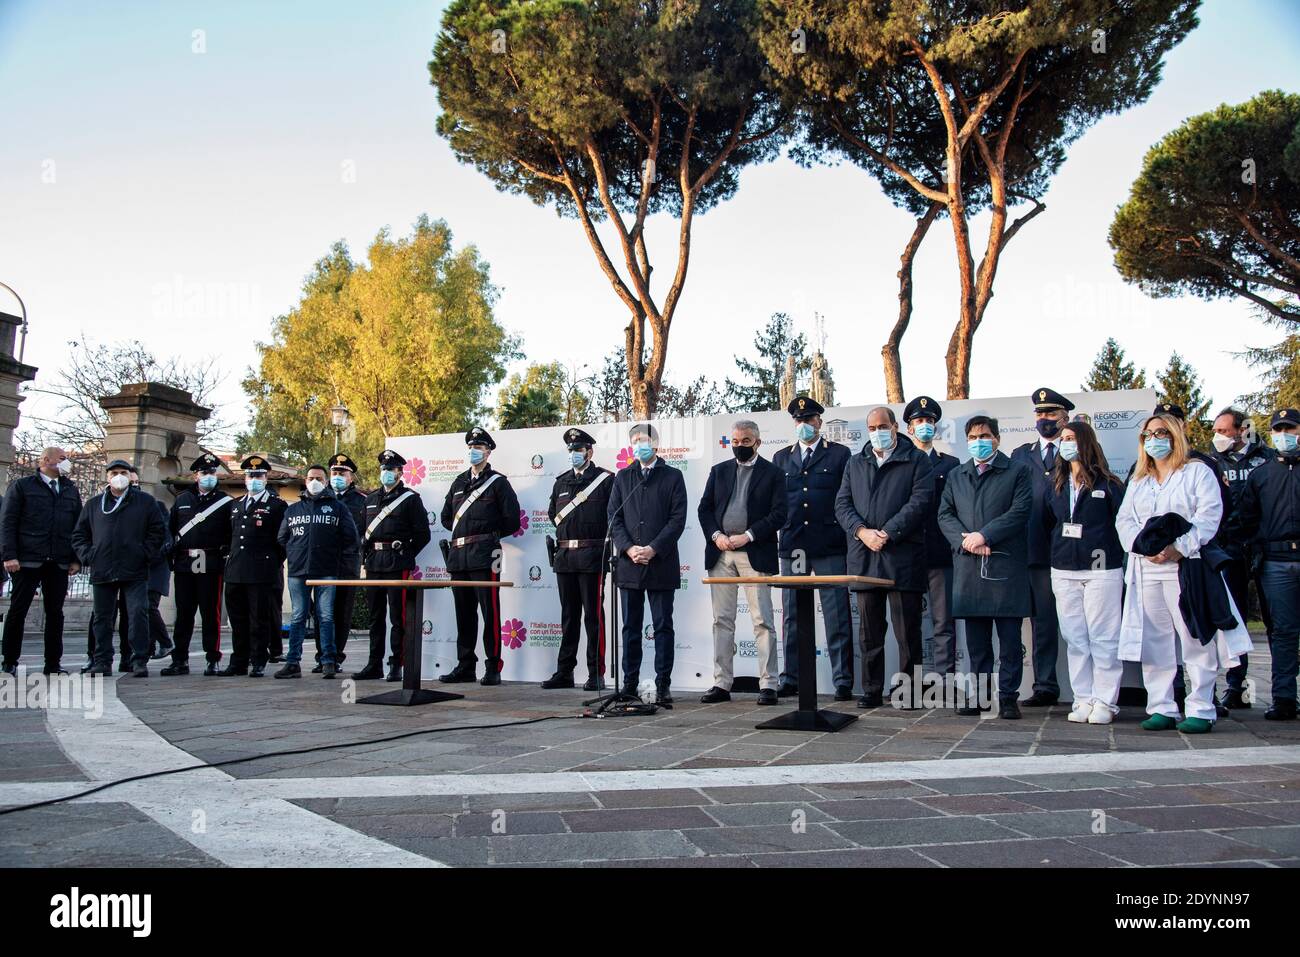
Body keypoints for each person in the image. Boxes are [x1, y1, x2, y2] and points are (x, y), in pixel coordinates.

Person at [1116, 413, 1249, 734]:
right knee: (1154, 641)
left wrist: (1179, 547)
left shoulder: (1196, 472)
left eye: (1161, 432)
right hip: (1147, 569)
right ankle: (1162, 706)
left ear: (1175, 435)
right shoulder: (1139, 479)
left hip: (1185, 568)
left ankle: (1201, 707)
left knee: (1194, 636)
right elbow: (1124, 521)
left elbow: (1209, 515)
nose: (1154, 439)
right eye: (1148, 434)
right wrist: (1143, 547)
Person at [835, 406, 933, 709]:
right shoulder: (855, 462)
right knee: (869, 633)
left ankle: (910, 691)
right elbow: (842, 504)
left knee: (908, 633)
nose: (878, 432)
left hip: (902, 556)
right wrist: (862, 532)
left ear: (895, 427)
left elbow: (920, 501)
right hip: (864, 557)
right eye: (873, 427)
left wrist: (888, 532)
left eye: (883, 426)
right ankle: (871, 690)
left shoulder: (917, 460)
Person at [938, 415, 1034, 720]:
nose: (979, 441)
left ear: (997, 438)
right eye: (974, 437)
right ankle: (979, 696)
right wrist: (966, 541)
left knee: (1008, 642)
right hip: (969, 567)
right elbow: (945, 514)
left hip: (1005, 565)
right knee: (977, 643)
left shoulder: (1017, 471)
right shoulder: (957, 475)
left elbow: (1019, 511)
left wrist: (985, 535)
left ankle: (1008, 697)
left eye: (985, 436)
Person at [1041, 421, 1126, 725]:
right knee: (1075, 638)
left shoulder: (1109, 484)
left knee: (1103, 638)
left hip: (1102, 568)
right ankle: (1082, 698)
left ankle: (1105, 701)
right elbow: (1046, 522)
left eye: (1071, 438)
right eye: (1063, 439)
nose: (1066, 444)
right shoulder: (1055, 483)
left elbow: (1122, 525)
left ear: (1086, 443)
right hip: (1064, 569)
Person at [771, 396, 854, 701]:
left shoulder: (840, 455)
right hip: (794, 545)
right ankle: (791, 677)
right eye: (799, 420)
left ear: (820, 421)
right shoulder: (781, 458)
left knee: (836, 614)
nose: (804, 425)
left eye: (809, 420)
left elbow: (847, 497)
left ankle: (843, 680)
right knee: (792, 614)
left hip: (830, 542)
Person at [698, 420, 786, 705]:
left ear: (758, 442)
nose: (739, 446)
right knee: (722, 620)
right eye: (735, 441)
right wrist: (716, 536)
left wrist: (748, 536)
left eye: (745, 441)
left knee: (762, 620)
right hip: (720, 552)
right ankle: (722, 684)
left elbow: (779, 513)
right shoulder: (719, 471)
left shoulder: (773, 473)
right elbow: (705, 508)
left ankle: (769, 684)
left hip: (755, 552)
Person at [607, 423, 687, 706]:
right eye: (635, 440)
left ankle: (663, 683)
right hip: (629, 565)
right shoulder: (623, 477)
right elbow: (614, 518)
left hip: (660, 563)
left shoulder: (673, 476)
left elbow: (677, 520)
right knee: (630, 626)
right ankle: (629, 683)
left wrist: (653, 549)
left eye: (644, 439)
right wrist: (629, 548)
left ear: (655, 444)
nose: (639, 444)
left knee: (663, 625)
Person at [1228, 408, 1300, 721]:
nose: (1285, 434)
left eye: (1291, 429)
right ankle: (1283, 698)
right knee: (1283, 632)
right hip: (1275, 562)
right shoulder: (1262, 475)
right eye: (1279, 429)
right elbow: (1245, 520)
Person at [437, 430, 519, 685]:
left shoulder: (498, 483)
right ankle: (465, 665)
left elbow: (512, 520)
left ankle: (493, 666)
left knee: (490, 610)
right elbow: (446, 517)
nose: (474, 449)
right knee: (464, 612)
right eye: (471, 445)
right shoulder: (459, 482)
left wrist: (487, 535)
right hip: (459, 555)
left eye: (479, 446)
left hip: (487, 553)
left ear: (488, 451)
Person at [1008, 387, 1073, 708]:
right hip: (1028, 550)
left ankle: (1077, 686)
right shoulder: (1021, 455)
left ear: (1065, 418)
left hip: (1067, 552)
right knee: (1038, 623)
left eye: (1051, 414)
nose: (1044, 419)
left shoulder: (1077, 451)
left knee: (1069, 623)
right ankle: (1043, 685)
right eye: (1040, 414)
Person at [72, 460, 166, 677]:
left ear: (130, 475)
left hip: (134, 569)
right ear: (107, 476)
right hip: (102, 568)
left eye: (123, 472)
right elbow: (79, 534)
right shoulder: (95, 504)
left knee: (137, 614)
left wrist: (145, 553)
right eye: (114, 472)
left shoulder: (145, 502)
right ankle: (102, 660)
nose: (119, 476)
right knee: (102, 617)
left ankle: (138, 659)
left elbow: (157, 531)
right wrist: (89, 555)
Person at [1210, 407, 1272, 709]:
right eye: (1216, 431)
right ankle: (1237, 687)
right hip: (1228, 548)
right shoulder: (1212, 461)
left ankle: (1285, 692)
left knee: (1277, 623)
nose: (1218, 436)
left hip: (1263, 548)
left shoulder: (1267, 458)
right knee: (1234, 620)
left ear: (1241, 430)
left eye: (1224, 431)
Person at [1, 447, 82, 675]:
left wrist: (76, 559)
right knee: (19, 609)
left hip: (58, 560)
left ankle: (53, 663)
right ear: (46, 460)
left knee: (55, 613)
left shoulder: (69, 489)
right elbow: (8, 522)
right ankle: (9, 660)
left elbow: (78, 526)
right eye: (63, 459)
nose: (67, 463)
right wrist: (9, 555)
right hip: (27, 559)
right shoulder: (23, 486)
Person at [543, 428, 613, 691]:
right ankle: (565, 671)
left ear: (589, 452)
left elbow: (613, 516)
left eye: (579, 450)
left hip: (593, 556)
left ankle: (596, 672)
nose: (574, 454)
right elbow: (554, 514)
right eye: (571, 450)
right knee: (568, 616)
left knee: (593, 617)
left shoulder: (605, 480)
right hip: (564, 557)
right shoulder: (561, 482)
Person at [275, 465, 359, 679]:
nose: (315, 481)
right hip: (298, 571)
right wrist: (294, 554)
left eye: (319, 478)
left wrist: (333, 556)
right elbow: (282, 538)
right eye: (312, 477)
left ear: (325, 482)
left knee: (326, 616)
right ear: (305, 480)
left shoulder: (338, 508)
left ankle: (329, 661)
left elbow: (351, 539)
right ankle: (293, 662)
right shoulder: (293, 509)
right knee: (297, 617)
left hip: (326, 570)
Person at [360, 449, 434, 682]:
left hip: (396, 562)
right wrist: (364, 559)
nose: (386, 473)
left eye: (391, 469)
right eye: (383, 469)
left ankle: (396, 664)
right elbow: (363, 534)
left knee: (397, 617)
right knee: (375, 616)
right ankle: (374, 664)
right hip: (374, 563)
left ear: (400, 472)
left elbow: (423, 534)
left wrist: (405, 554)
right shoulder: (371, 499)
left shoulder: (410, 499)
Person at [904, 396, 960, 676]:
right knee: (907, 623)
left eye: (929, 421)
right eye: (919, 421)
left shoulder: (951, 464)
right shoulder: (900, 462)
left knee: (942, 621)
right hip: (906, 553)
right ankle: (911, 680)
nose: (924, 425)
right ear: (909, 428)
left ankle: (943, 678)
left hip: (940, 552)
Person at [164, 452, 232, 676]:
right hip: (185, 561)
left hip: (210, 562)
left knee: (210, 613)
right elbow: (170, 529)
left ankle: (212, 659)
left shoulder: (225, 502)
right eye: (204, 473)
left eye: (212, 472)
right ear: (196, 476)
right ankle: (180, 660)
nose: (209, 476)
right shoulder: (183, 500)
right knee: (184, 613)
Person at [220, 455, 287, 677]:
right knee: (237, 620)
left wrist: (273, 563)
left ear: (266, 478)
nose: (253, 479)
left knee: (259, 619)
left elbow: (282, 540)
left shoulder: (276, 505)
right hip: (236, 569)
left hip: (261, 570)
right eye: (250, 475)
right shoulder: (236, 504)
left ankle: (258, 659)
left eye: (258, 475)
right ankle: (238, 661)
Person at [320, 453, 366, 673]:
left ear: (351, 477)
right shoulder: (321, 497)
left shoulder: (361, 500)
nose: (338, 476)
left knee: (342, 611)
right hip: (323, 563)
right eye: (335, 472)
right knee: (322, 611)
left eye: (342, 473)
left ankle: (336, 655)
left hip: (347, 563)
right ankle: (323, 656)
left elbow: (365, 532)